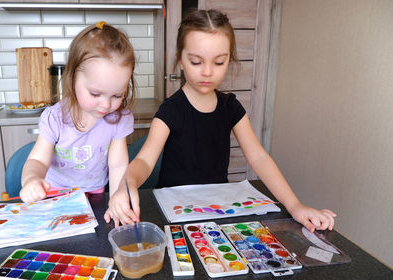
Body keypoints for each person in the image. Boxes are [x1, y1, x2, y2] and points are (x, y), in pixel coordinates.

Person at [105, 9, 336, 232]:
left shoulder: (230, 107)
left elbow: (259, 158)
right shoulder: (171, 110)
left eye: (218, 62)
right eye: (196, 62)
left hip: (217, 211)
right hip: (176, 213)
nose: (207, 72)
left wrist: (294, 205)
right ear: (181, 61)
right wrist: (129, 183)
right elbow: (145, 160)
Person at [20, 21, 135, 203]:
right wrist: (32, 180)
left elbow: (118, 165)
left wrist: (116, 200)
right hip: (55, 193)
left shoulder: (120, 118)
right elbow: (38, 161)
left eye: (117, 95)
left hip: (96, 191)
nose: (105, 105)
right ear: (72, 78)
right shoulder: (55, 118)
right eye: (95, 93)